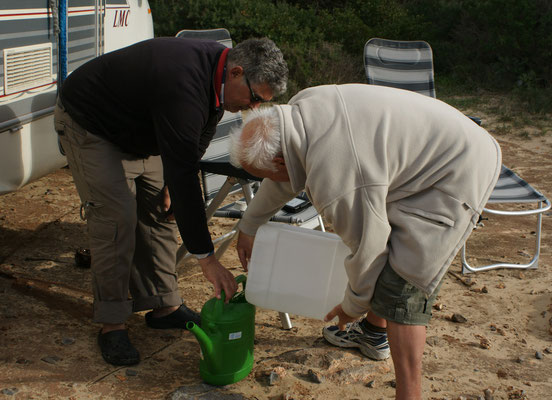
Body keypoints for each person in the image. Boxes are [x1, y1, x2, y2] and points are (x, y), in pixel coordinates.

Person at [229, 84, 501, 400]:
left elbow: (370, 248)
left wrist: (351, 306)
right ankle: (373, 335)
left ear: (278, 160)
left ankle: (408, 394)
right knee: (388, 269)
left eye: (266, 173)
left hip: (455, 170)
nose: (270, 180)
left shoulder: (336, 176)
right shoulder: (298, 112)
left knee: (403, 287)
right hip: (424, 153)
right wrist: (249, 226)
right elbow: (285, 176)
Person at [53, 36, 288, 366]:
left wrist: (172, 185)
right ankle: (112, 323)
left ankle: (164, 304)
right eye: (253, 99)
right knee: (117, 218)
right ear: (236, 72)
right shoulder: (183, 80)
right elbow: (183, 172)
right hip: (92, 126)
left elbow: (200, 133)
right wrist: (207, 259)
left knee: (163, 211)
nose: (253, 108)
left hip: (140, 131)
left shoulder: (218, 77)